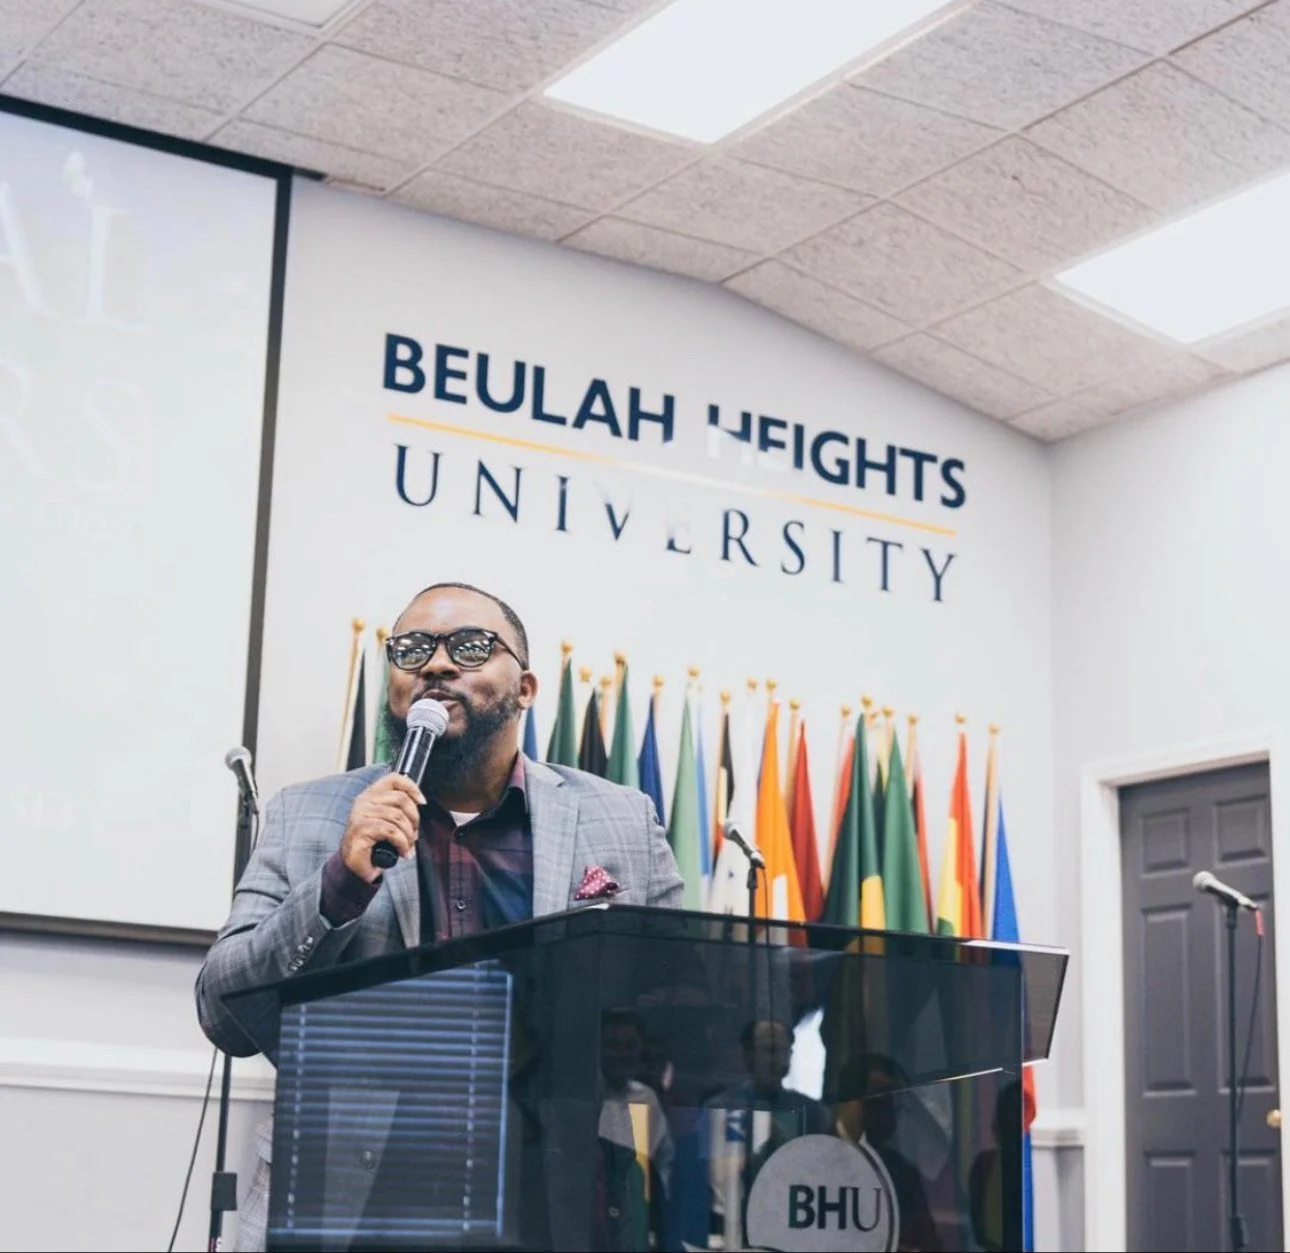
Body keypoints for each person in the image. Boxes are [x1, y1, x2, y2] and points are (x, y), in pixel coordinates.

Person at [194, 582, 685, 1251]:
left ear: (528, 687)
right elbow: (225, 1013)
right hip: (354, 1210)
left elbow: (676, 1008)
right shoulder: (307, 813)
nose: (436, 663)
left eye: (472, 645)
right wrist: (338, 884)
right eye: (413, 648)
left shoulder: (620, 818)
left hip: (547, 1205)